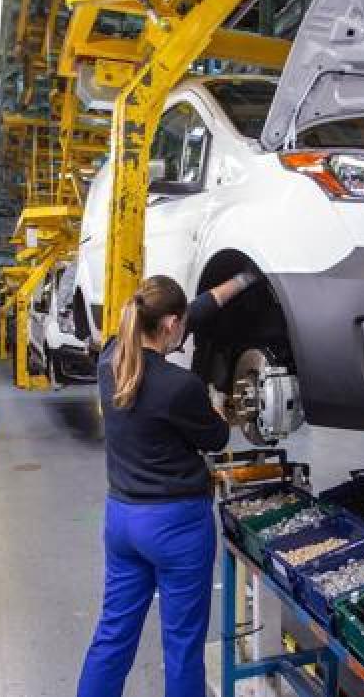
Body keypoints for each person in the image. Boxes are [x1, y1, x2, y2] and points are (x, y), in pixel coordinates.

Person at [76, 271, 258, 697]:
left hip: (122, 521)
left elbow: (191, 311)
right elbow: (216, 438)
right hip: (176, 527)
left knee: (113, 634)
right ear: (171, 325)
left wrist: (239, 283)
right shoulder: (180, 387)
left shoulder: (110, 360)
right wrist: (217, 408)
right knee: (181, 646)